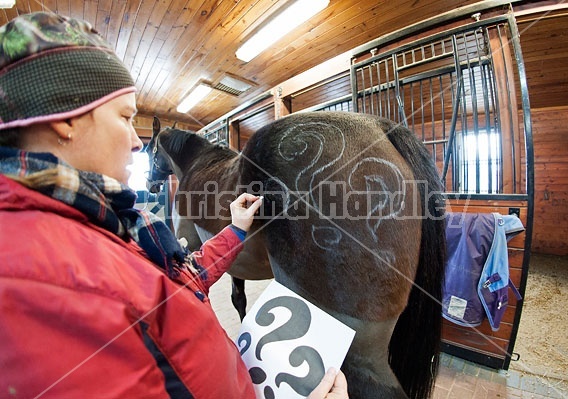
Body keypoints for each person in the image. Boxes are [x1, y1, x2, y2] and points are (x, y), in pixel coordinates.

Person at [0, 12, 348, 398]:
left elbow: (180, 282)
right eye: (125, 117)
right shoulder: (40, 275)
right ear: (67, 118)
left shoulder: (99, 223)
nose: (135, 141)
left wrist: (234, 229)